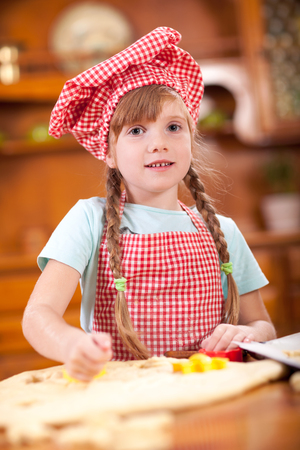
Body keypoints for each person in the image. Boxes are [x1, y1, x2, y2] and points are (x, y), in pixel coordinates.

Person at [22, 27, 276, 381]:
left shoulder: (223, 232)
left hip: (212, 396)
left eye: (173, 127)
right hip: (125, 399)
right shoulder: (89, 220)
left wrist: (252, 334)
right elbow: (38, 314)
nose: (158, 143)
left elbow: (263, 325)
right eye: (136, 131)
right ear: (108, 151)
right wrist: (70, 345)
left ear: (191, 138)